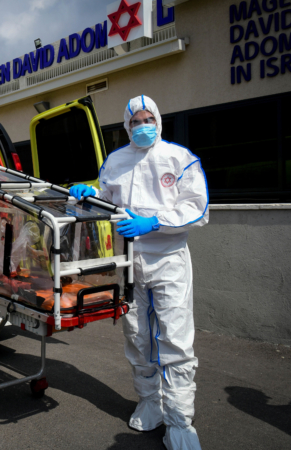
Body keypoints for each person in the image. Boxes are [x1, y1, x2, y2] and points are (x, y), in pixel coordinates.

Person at [70, 95, 208, 450]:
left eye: (148, 119)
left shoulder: (179, 158)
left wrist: (155, 222)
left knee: (175, 339)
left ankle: (180, 422)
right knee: (137, 336)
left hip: (169, 260)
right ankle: (151, 402)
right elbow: (102, 202)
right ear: (126, 126)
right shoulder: (116, 161)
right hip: (129, 262)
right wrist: (83, 196)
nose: (142, 125)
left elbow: (198, 208)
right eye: (135, 121)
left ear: (158, 120)